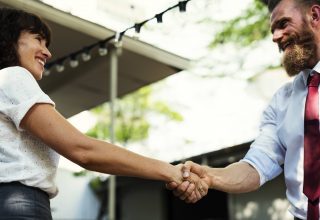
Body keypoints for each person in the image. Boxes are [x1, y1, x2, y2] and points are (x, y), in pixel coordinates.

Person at [0, 8, 208, 219]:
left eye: (47, 44)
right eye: (38, 39)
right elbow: (81, 150)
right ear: (8, 39)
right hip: (18, 206)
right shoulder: (13, 77)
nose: (47, 52)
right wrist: (170, 171)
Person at [168, 0, 320, 219]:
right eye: (273, 30)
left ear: (314, 16)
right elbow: (255, 167)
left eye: (284, 23)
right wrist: (208, 175)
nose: (276, 36)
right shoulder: (281, 102)